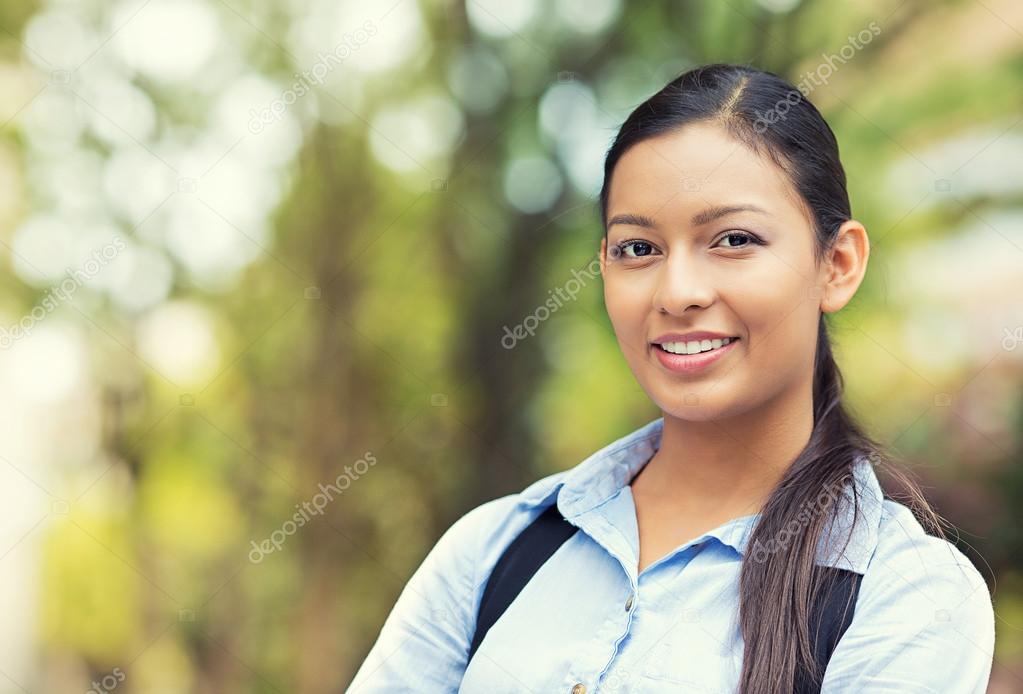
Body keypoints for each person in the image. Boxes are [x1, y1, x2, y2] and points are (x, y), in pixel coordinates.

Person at [346, 63, 995, 693]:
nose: (677, 291)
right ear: (602, 267)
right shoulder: (493, 551)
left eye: (733, 239)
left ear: (837, 263)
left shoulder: (905, 595)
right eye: (638, 249)